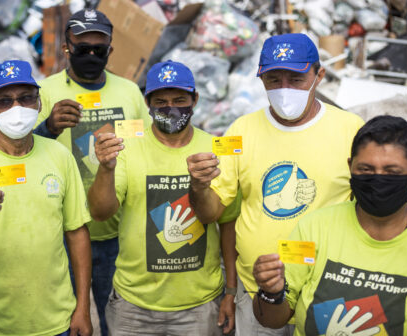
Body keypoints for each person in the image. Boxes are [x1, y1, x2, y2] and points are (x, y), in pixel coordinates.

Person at [187, 33, 364, 335]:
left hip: (325, 289)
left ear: (318, 75)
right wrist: (199, 186)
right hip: (257, 290)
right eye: (273, 80)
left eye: (295, 80)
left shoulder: (351, 130)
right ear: (261, 80)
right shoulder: (239, 132)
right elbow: (210, 213)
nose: (284, 90)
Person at [0, 60, 92, 336]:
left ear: (39, 103)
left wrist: (82, 308)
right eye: (3, 101)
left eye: (25, 98)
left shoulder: (60, 156)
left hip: (57, 322)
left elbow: (77, 232)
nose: (17, 109)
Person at [87, 60, 239, 335]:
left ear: (195, 99)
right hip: (133, 307)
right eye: (161, 101)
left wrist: (231, 290)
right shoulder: (127, 149)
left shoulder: (214, 150)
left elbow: (227, 223)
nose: (171, 108)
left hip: (200, 306)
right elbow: (100, 212)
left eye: (180, 99)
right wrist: (106, 169)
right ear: (148, 104)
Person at [32, 10, 150, 335]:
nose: (91, 56)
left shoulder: (129, 93)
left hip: (119, 236)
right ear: (66, 48)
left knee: (118, 324)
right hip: (64, 236)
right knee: (70, 325)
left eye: (99, 49)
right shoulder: (44, 93)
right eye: (82, 48)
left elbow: (148, 150)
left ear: (111, 50)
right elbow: (22, 156)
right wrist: (49, 127)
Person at [252, 115, 407, 335]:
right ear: (350, 167)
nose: (378, 181)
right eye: (366, 170)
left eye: (392, 172)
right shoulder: (312, 227)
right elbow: (273, 319)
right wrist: (271, 292)